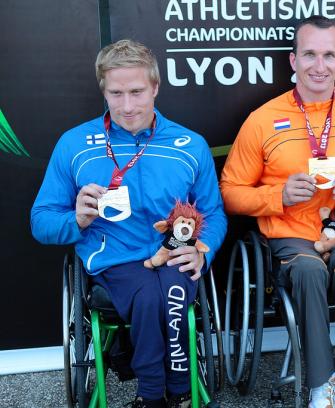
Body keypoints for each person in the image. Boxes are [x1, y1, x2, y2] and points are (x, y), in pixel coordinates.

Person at [31, 39, 227, 408]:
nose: (127, 106)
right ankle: (153, 395)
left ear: (155, 87)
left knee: (169, 293)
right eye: (115, 93)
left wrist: (204, 250)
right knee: (148, 295)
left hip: (173, 252)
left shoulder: (190, 144)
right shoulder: (74, 144)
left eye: (136, 92)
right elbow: (40, 221)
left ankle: (180, 389)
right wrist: (76, 219)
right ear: (103, 91)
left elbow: (213, 213)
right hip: (114, 258)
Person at [220, 15, 335, 408]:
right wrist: (277, 196)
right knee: (308, 269)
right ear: (293, 60)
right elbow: (230, 193)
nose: (320, 66)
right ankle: (321, 381)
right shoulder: (262, 119)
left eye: (329, 55)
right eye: (310, 55)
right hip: (290, 235)